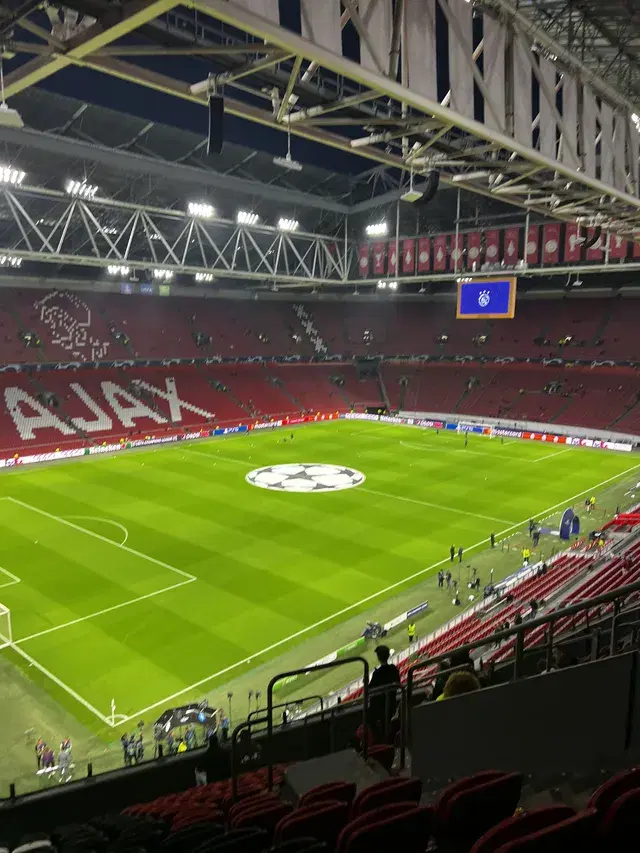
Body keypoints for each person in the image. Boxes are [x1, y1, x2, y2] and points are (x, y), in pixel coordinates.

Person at [368, 645, 400, 740]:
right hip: (392, 703)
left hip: (379, 707)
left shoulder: (377, 673)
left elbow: (370, 690)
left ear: (378, 657)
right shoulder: (393, 669)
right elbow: (397, 683)